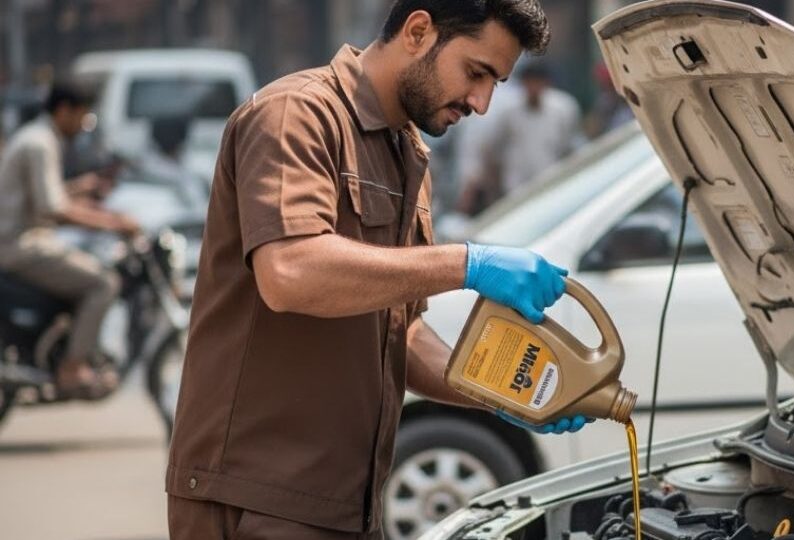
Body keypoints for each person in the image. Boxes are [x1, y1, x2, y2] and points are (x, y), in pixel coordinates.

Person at [166, 2, 588, 538]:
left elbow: (400, 333)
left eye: (496, 83)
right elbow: (290, 271)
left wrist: (506, 393)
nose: (481, 103)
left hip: (345, 502)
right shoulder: (297, 113)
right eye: (476, 72)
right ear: (418, 30)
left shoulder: (407, 152)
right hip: (256, 497)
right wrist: (467, 262)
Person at [0, 80, 141, 399]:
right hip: (19, 244)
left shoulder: (38, 137)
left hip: (25, 237)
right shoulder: (40, 143)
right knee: (103, 283)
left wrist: (83, 189)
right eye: (82, 116)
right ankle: (72, 367)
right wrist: (114, 223)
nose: (82, 125)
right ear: (64, 110)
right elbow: (52, 208)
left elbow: (42, 198)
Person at [456, 61, 581, 214]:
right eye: (530, 82)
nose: (534, 88)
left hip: (552, 187)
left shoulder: (562, 109)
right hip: (516, 191)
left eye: (538, 82)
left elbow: (570, 148)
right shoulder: (510, 113)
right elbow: (491, 150)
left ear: (546, 83)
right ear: (523, 84)